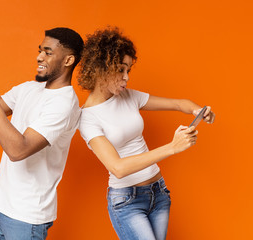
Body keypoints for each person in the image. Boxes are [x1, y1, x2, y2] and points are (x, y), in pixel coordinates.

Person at [78, 27, 215, 240]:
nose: (126, 78)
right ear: (102, 68)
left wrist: (198, 110)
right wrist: (172, 147)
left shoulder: (128, 96)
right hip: (126, 201)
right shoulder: (87, 118)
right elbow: (118, 168)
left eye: (128, 71)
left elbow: (179, 104)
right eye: (121, 70)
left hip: (158, 193)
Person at [0, 27, 84, 240]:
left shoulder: (64, 104)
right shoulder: (29, 89)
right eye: (40, 50)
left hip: (27, 218)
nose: (39, 56)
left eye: (48, 52)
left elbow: (18, 150)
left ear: (68, 60)